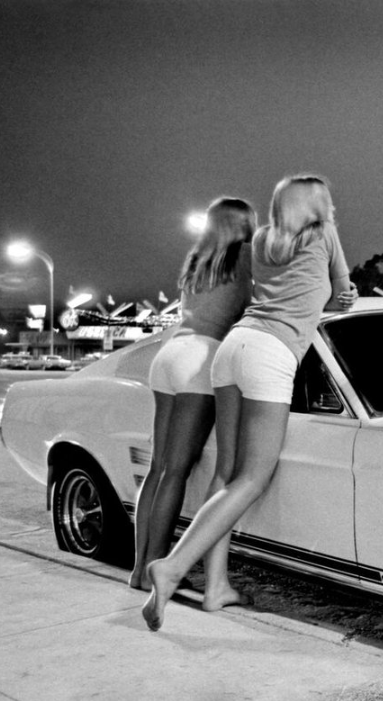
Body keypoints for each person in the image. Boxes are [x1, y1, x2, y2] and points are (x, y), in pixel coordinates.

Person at [142, 174, 357, 631]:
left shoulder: (260, 239)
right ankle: (173, 565)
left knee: (224, 472)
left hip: (231, 350)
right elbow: (342, 293)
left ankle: (215, 587)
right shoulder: (325, 234)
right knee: (254, 477)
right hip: (272, 353)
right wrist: (335, 299)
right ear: (319, 206)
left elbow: (266, 293)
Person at [129, 197, 256, 591]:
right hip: (202, 358)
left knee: (158, 469)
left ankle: (138, 569)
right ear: (243, 225)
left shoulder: (198, 260)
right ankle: (157, 570)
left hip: (169, 355)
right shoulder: (245, 255)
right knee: (177, 472)